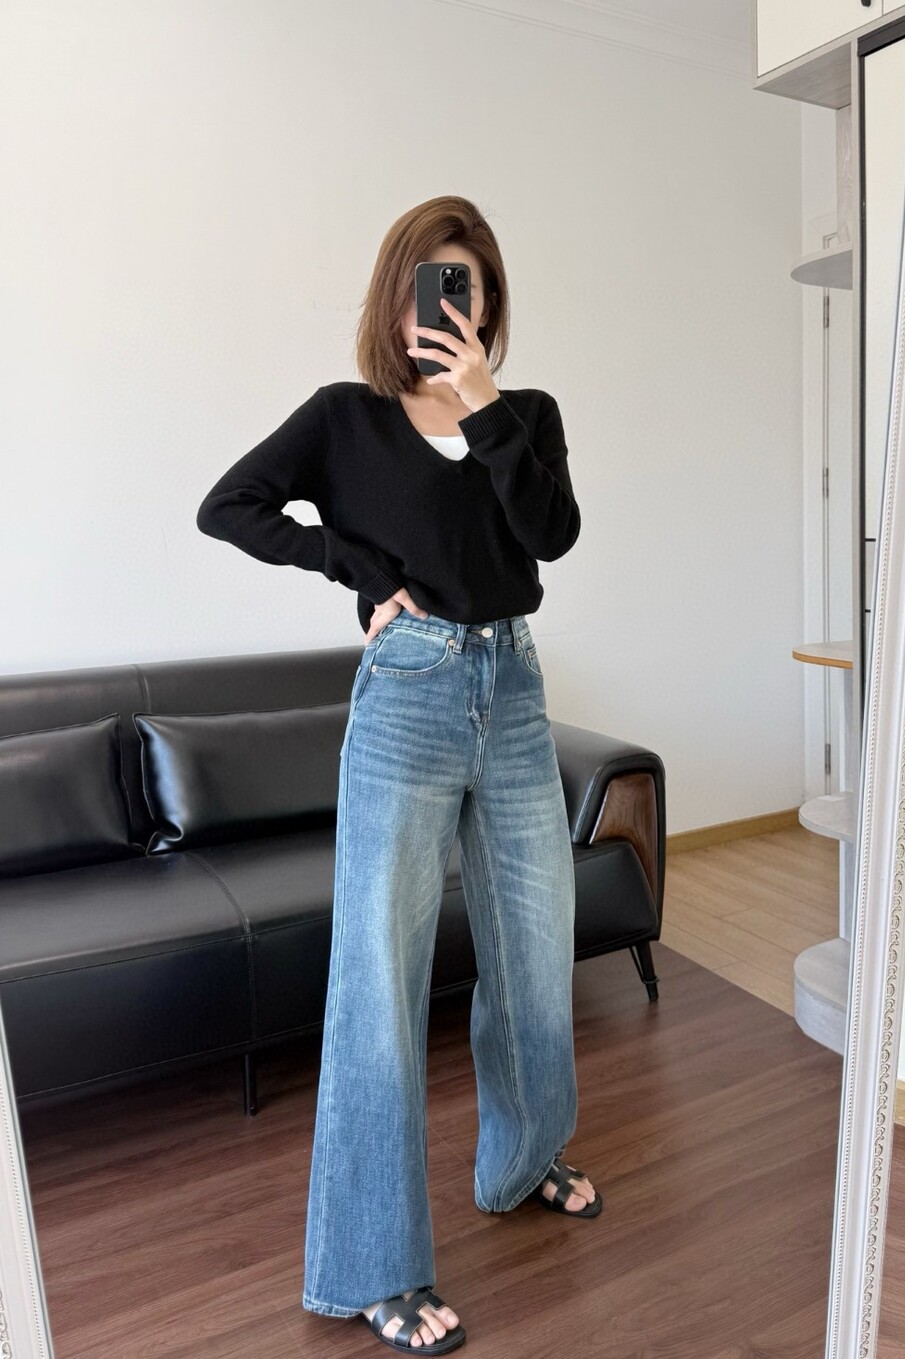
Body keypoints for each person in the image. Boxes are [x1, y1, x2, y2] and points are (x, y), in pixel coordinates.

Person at [196, 195, 600, 1355]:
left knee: (534, 955)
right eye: (437, 283)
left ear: (490, 303)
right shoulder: (346, 418)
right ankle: (375, 1267)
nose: (454, 305)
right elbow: (229, 507)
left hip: (513, 688)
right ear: (397, 297)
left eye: (471, 287)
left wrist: (482, 402)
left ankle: (522, 1161)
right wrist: (357, 569)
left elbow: (552, 535)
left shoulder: (525, 414)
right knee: (379, 979)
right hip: (410, 692)